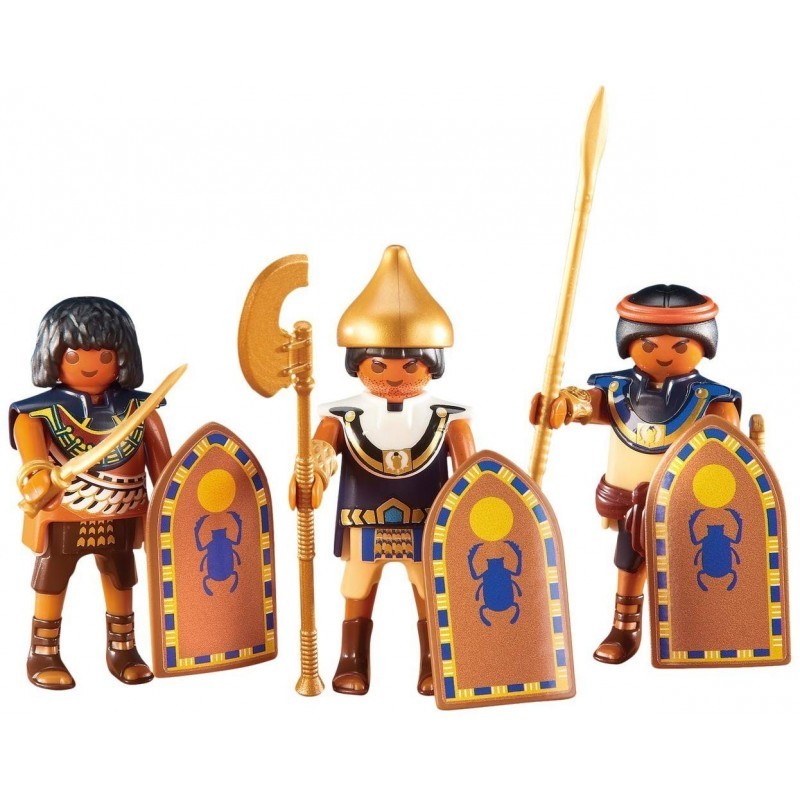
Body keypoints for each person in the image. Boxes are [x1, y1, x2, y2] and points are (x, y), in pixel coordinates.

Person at [531, 284, 740, 664]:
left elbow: (728, 446)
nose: (664, 354)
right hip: (629, 498)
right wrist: (563, 406)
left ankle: (695, 627)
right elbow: (589, 404)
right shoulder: (617, 390)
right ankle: (624, 627)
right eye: (649, 344)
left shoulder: (711, 399)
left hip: (688, 502)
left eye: (680, 346)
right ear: (628, 343)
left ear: (704, 344)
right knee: (629, 562)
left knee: (691, 562)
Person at [303, 245, 475, 695]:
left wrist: (477, 503)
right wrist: (312, 476)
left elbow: (470, 471)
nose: (395, 376)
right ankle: (352, 659)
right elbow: (321, 452)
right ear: (358, 363)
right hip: (364, 518)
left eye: (410, 364)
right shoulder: (341, 415)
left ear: (431, 363)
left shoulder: (449, 417)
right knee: (357, 589)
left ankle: (434, 661)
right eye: (379, 364)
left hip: (428, 519)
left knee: (429, 589)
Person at [10, 296, 172, 689]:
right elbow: (33, 466)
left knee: (121, 578)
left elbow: (167, 470)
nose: (90, 365)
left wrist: (176, 507)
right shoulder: (36, 414)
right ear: (53, 356)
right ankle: (43, 652)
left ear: (122, 358)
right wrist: (38, 479)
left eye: (104, 355)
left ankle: (123, 649)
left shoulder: (141, 410)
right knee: (52, 579)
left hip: (124, 510)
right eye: (74, 355)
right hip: (66, 512)